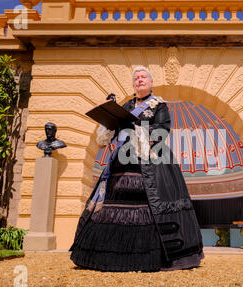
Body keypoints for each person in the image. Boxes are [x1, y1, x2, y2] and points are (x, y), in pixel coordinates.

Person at [70, 66, 204, 272]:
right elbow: (113, 131)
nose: (140, 80)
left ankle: (155, 256)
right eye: (136, 78)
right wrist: (109, 112)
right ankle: (111, 254)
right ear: (134, 84)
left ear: (150, 83)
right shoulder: (127, 104)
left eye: (143, 77)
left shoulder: (159, 105)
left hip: (151, 158)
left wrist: (137, 130)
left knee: (150, 203)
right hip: (122, 160)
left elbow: (162, 129)